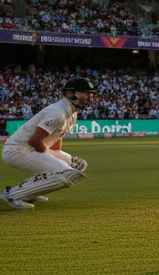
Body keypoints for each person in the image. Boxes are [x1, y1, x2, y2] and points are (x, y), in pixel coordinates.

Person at [2, 77, 95, 210]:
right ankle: (11, 194)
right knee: (66, 172)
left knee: (76, 167)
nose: (90, 97)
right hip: (17, 150)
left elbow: (55, 146)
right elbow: (35, 141)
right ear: (72, 94)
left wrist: (58, 157)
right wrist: (56, 160)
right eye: (86, 93)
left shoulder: (71, 112)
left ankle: (29, 193)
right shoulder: (59, 112)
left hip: (30, 148)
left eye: (91, 93)